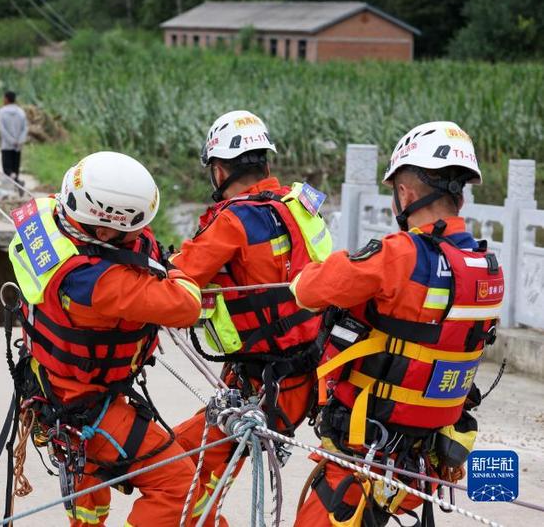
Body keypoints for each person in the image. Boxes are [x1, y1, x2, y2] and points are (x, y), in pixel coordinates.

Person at [291, 122, 503, 527]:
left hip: (363, 456)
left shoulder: (396, 256)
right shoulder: (487, 268)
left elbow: (308, 291)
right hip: (423, 466)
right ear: (460, 193)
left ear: (404, 193)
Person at [5, 151, 205, 526]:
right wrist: (173, 270)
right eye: (132, 230)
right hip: (84, 403)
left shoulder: (46, 216)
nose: (139, 236)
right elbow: (186, 305)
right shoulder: (100, 284)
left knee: (87, 490)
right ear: (103, 232)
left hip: (54, 386)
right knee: (179, 485)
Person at [168, 110, 333, 523]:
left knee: (177, 466)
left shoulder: (231, 222)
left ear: (219, 169)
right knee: (191, 462)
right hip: (308, 375)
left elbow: (180, 276)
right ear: (266, 164)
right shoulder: (300, 208)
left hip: (265, 385)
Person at [0, 90, 27, 186]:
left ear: (6, 99)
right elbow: (25, 128)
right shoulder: (21, 112)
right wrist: (19, 141)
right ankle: (17, 184)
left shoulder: (2, 112)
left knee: (7, 169)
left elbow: (2, 129)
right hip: (18, 146)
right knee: (15, 167)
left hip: (7, 145)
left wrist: (11, 140)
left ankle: (15, 183)